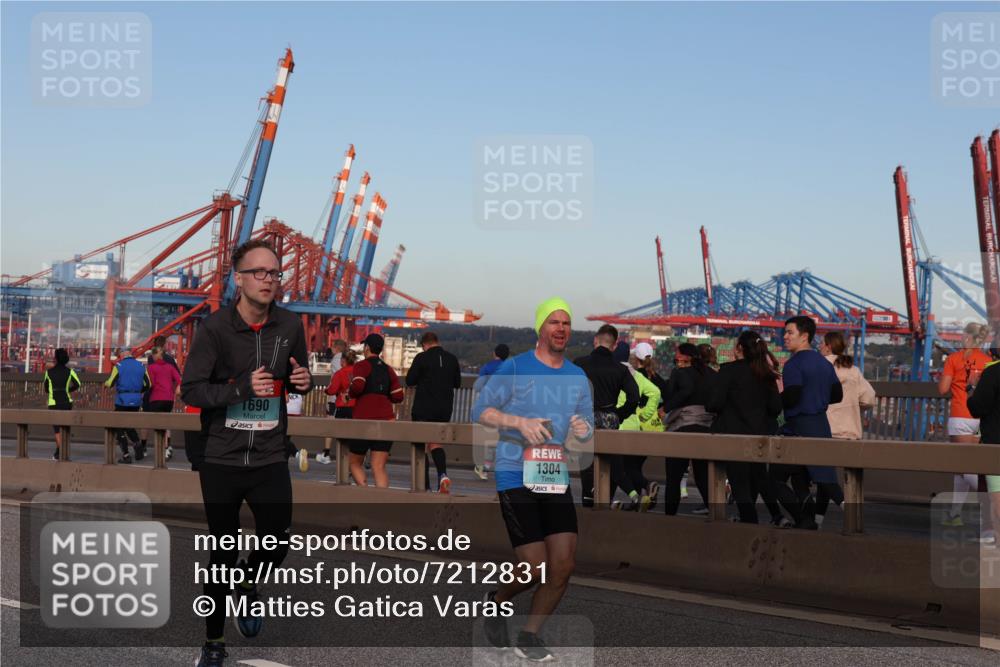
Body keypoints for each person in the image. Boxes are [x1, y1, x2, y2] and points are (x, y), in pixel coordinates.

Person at [180, 239, 312, 667]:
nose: (268, 280)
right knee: (222, 550)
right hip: (220, 456)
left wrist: (302, 382)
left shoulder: (290, 326)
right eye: (259, 272)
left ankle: (248, 584)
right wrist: (239, 389)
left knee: (276, 540)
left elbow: (295, 376)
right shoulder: (215, 329)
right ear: (239, 279)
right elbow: (192, 389)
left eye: (274, 273)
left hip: (271, 453)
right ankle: (213, 644)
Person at [472, 297, 593, 662]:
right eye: (554, 322)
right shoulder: (514, 368)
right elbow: (480, 410)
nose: (561, 329)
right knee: (534, 567)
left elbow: (586, 427)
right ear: (540, 328)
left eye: (566, 323)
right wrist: (518, 422)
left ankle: (529, 635)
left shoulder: (577, 376)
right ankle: (496, 601)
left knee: (563, 565)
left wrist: (583, 428)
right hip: (514, 471)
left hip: (553, 473)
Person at [769, 316, 843, 530]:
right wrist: (816, 398)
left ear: (804, 336)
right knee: (811, 477)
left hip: (798, 427)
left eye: (789, 332)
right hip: (821, 425)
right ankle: (809, 520)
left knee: (775, 478)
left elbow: (791, 395)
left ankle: (805, 518)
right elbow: (837, 395)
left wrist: (774, 403)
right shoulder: (824, 362)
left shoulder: (793, 364)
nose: (785, 336)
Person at [708, 331, 784, 524]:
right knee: (758, 478)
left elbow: (715, 403)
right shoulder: (766, 374)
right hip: (759, 436)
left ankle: (749, 522)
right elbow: (775, 407)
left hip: (733, 435)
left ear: (739, 349)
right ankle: (777, 516)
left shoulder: (728, 371)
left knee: (739, 484)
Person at [572, 324, 639, 508]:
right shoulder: (620, 369)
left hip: (585, 419)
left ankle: (588, 497)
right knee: (613, 463)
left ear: (595, 340)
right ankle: (607, 500)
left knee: (586, 462)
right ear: (614, 345)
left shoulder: (579, 363)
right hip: (610, 418)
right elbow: (634, 397)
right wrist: (619, 414)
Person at [817, 331, 876, 528]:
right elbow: (868, 398)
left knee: (822, 476)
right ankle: (818, 521)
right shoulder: (853, 371)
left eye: (821, 343)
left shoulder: (820, 367)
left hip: (825, 430)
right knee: (835, 477)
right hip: (850, 432)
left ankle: (843, 506)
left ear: (828, 346)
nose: (818, 346)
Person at [938, 322, 992, 527]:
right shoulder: (987, 361)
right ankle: (955, 514)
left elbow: (942, 389)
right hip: (979, 418)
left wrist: (953, 383)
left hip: (960, 416)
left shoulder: (954, 359)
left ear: (968, 337)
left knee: (963, 467)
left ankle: (991, 497)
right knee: (964, 469)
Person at [662, 342, 716, 516]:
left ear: (686, 357)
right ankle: (716, 514)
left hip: (682, 427)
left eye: (678, 354)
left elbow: (679, 392)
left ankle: (669, 517)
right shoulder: (711, 374)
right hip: (706, 427)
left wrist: (666, 407)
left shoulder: (680, 373)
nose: (676, 358)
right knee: (703, 476)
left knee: (674, 478)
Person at [405, 331, 462, 493]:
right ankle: (442, 475)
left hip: (423, 407)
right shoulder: (452, 359)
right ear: (438, 341)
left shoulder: (422, 358)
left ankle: (426, 486)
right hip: (444, 408)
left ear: (425, 345)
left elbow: (410, 380)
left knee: (422, 446)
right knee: (436, 443)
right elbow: (457, 383)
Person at [347, 333, 405, 488]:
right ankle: (381, 502)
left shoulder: (362, 365)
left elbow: (358, 386)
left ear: (366, 348)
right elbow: (398, 396)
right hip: (386, 420)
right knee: (378, 466)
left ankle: (365, 492)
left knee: (354, 463)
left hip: (363, 420)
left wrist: (350, 392)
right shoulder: (388, 369)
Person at [619, 342, 663, 511]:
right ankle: (638, 500)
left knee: (620, 468)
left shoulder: (617, 372)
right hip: (640, 428)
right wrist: (645, 414)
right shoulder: (638, 375)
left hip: (620, 427)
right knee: (630, 467)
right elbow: (657, 393)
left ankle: (645, 487)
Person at [967, 335, 1000, 546]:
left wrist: (972, 388)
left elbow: (977, 407)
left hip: (995, 442)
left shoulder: (993, 372)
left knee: (997, 497)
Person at [104, 348, 151, 464]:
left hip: (122, 400)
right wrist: (139, 392)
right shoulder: (141, 365)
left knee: (118, 425)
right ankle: (138, 446)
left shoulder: (118, 366)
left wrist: (105, 384)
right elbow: (148, 384)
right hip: (136, 400)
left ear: (121, 355)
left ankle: (126, 455)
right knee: (129, 425)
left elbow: (110, 383)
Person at [141, 335, 181, 457]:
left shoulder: (150, 359)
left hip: (151, 395)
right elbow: (178, 377)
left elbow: (148, 381)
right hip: (167, 395)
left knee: (146, 421)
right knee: (165, 421)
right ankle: (166, 447)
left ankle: (143, 448)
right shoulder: (169, 360)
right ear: (164, 345)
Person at [318, 348, 358, 465]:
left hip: (342, 408)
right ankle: (353, 465)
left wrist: (326, 391)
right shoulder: (357, 372)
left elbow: (332, 390)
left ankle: (342, 467)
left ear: (343, 361)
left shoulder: (340, 373)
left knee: (341, 439)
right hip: (356, 408)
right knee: (353, 437)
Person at [43, 348, 81, 460]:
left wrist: (54, 392)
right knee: (66, 428)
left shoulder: (48, 373)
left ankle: (61, 452)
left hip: (54, 403)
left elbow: (46, 389)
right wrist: (68, 390)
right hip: (66, 402)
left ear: (56, 358)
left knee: (57, 430)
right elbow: (78, 384)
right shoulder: (70, 371)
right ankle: (59, 452)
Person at [324, 339, 348, 419]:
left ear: (336, 348)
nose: (331, 348)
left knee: (332, 419)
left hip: (336, 396)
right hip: (345, 396)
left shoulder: (336, 360)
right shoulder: (345, 358)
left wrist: (329, 389)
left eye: (332, 346)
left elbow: (338, 377)